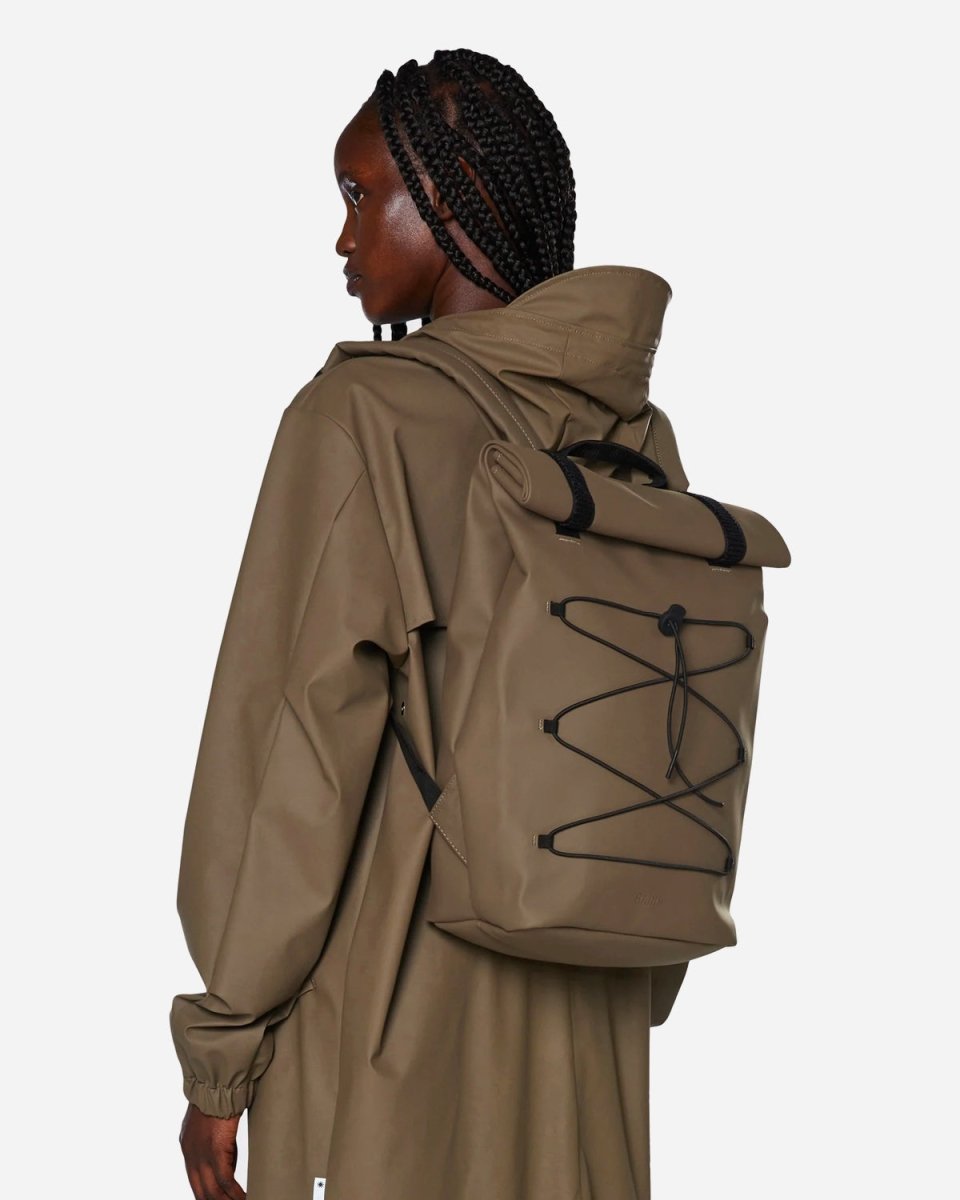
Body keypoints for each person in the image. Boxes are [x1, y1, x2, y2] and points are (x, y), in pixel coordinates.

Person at [171, 47, 690, 1200]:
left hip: (390, 1060)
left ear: (453, 204)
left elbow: (289, 765)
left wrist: (221, 1053)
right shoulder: (637, 442)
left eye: (361, 195)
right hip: (591, 1050)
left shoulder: (361, 419)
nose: (343, 237)